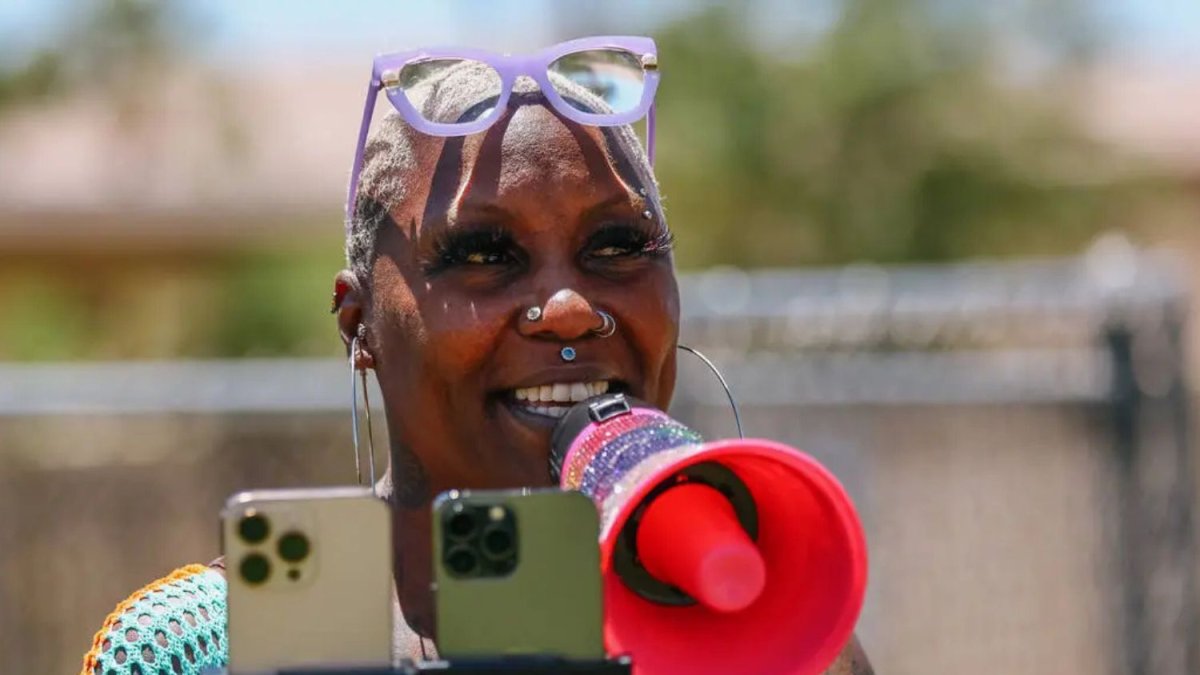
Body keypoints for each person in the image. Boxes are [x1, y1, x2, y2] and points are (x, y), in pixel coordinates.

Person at [81, 43, 874, 675]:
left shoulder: (773, 634)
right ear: (359, 324)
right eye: (485, 254)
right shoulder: (200, 649)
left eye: (618, 246)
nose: (569, 306)